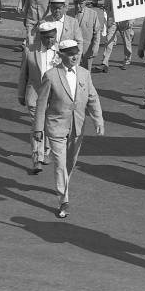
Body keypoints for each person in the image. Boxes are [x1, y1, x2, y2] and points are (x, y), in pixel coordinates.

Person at [33, 40, 104, 218]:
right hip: (56, 126)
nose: (74, 56)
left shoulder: (84, 74)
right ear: (61, 55)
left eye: (76, 52)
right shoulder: (51, 75)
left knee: (70, 162)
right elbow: (41, 104)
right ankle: (63, 199)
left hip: (77, 126)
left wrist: (98, 120)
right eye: (70, 53)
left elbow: (92, 97)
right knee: (59, 163)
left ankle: (63, 185)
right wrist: (38, 129)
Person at [18, 22, 59, 174]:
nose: (50, 41)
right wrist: (21, 93)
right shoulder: (30, 51)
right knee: (37, 126)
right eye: (47, 38)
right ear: (41, 37)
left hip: (54, 96)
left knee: (48, 125)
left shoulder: (61, 51)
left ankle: (46, 151)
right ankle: (37, 158)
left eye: (53, 37)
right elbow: (23, 74)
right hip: (34, 95)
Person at [98, 0, 133, 72]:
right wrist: (106, 6)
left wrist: (131, 19)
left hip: (125, 16)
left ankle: (127, 60)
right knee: (109, 39)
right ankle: (105, 62)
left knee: (126, 41)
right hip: (113, 15)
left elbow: (134, 2)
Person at [71, 0, 101, 71]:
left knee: (86, 73)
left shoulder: (93, 14)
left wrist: (95, 48)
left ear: (85, 3)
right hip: (71, 50)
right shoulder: (68, 13)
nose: (78, 6)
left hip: (87, 50)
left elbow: (97, 33)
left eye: (80, 3)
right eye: (76, 3)